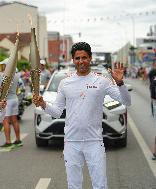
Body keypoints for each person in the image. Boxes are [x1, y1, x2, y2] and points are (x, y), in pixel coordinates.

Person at [33, 42, 131, 189]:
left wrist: (121, 83)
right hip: (72, 142)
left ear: (90, 58)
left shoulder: (102, 81)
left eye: (84, 57)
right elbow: (58, 112)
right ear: (73, 60)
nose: (81, 61)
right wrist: (43, 104)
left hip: (94, 141)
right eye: (77, 58)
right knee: (74, 185)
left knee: (100, 185)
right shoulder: (65, 83)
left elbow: (126, 101)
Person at [0, 58, 23, 148]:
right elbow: (17, 88)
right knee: (15, 120)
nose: (2, 67)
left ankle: (8, 142)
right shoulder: (17, 75)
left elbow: (2, 90)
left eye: (3, 65)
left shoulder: (4, 76)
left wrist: (0, 101)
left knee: (5, 121)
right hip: (14, 99)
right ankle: (18, 140)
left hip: (7, 100)